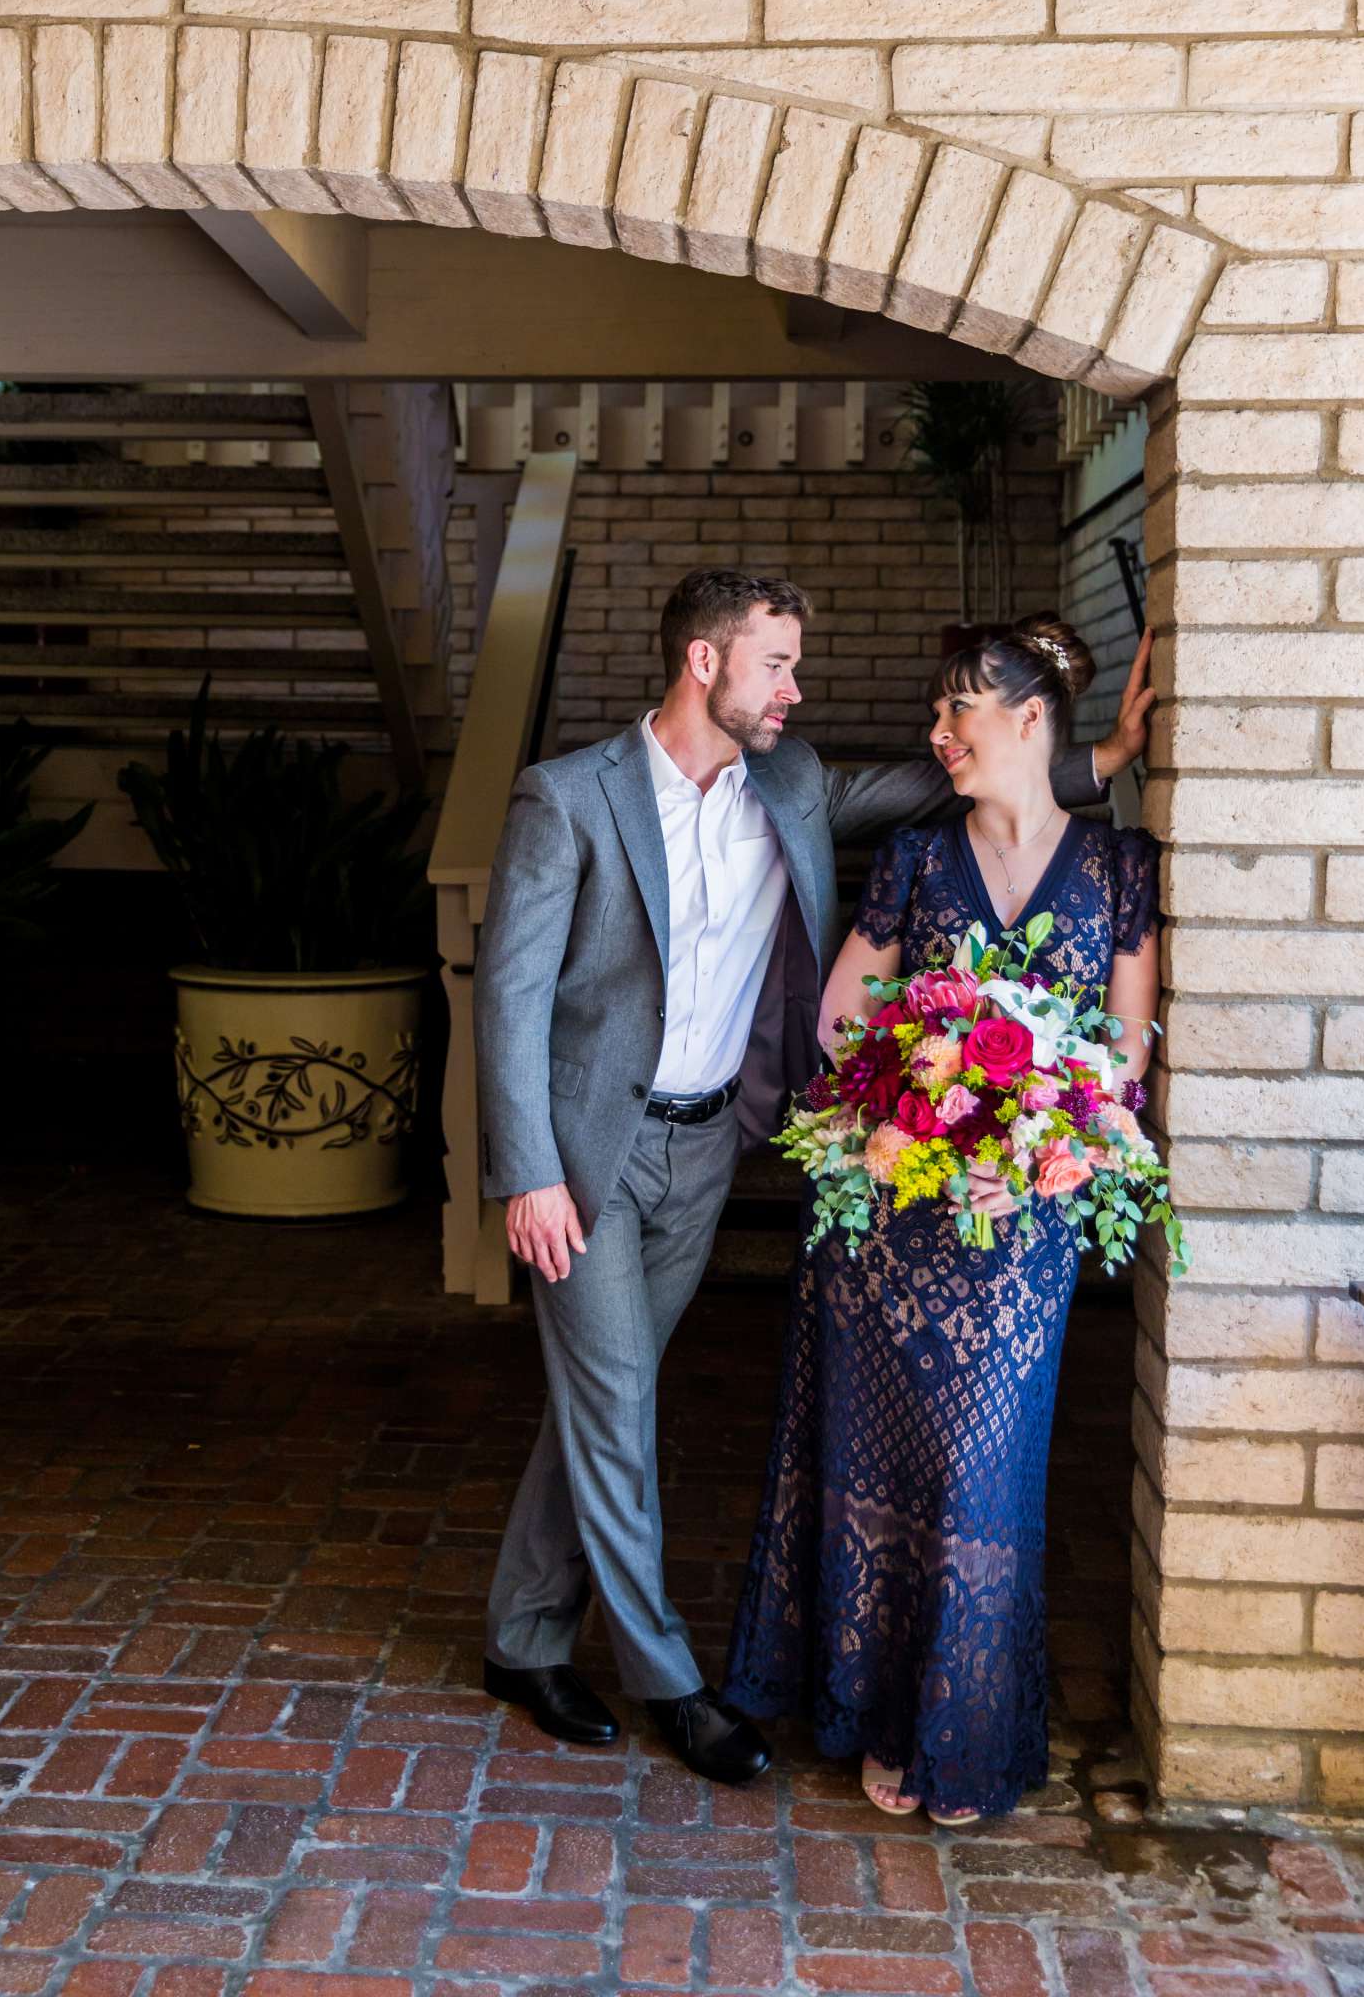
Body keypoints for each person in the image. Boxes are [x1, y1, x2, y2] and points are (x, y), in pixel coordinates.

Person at [476, 570, 1154, 1786]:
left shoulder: (788, 782)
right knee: (619, 1395)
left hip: (705, 1145)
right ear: (703, 664)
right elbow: (512, 1000)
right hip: (584, 1161)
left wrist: (1099, 750)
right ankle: (670, 1682)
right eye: (777, 664)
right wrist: (525, 1173)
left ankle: (520, 1637)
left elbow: (966, 779)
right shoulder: (566, 798)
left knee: (599, 1393)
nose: (798, 688)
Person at [722, 615, 1159, 1824]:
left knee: (979, 1475)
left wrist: (1051, 1151)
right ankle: (867, 1714)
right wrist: (917, 1093)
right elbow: (841, 1018)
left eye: (955, 713)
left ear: (1028, 721)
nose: (935, 735)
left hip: (1022, 1234)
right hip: (887, 1226)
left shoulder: (1122, 871)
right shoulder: (917, 858)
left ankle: (951, 1732)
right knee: (872, 1461)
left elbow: (1121, 1058)